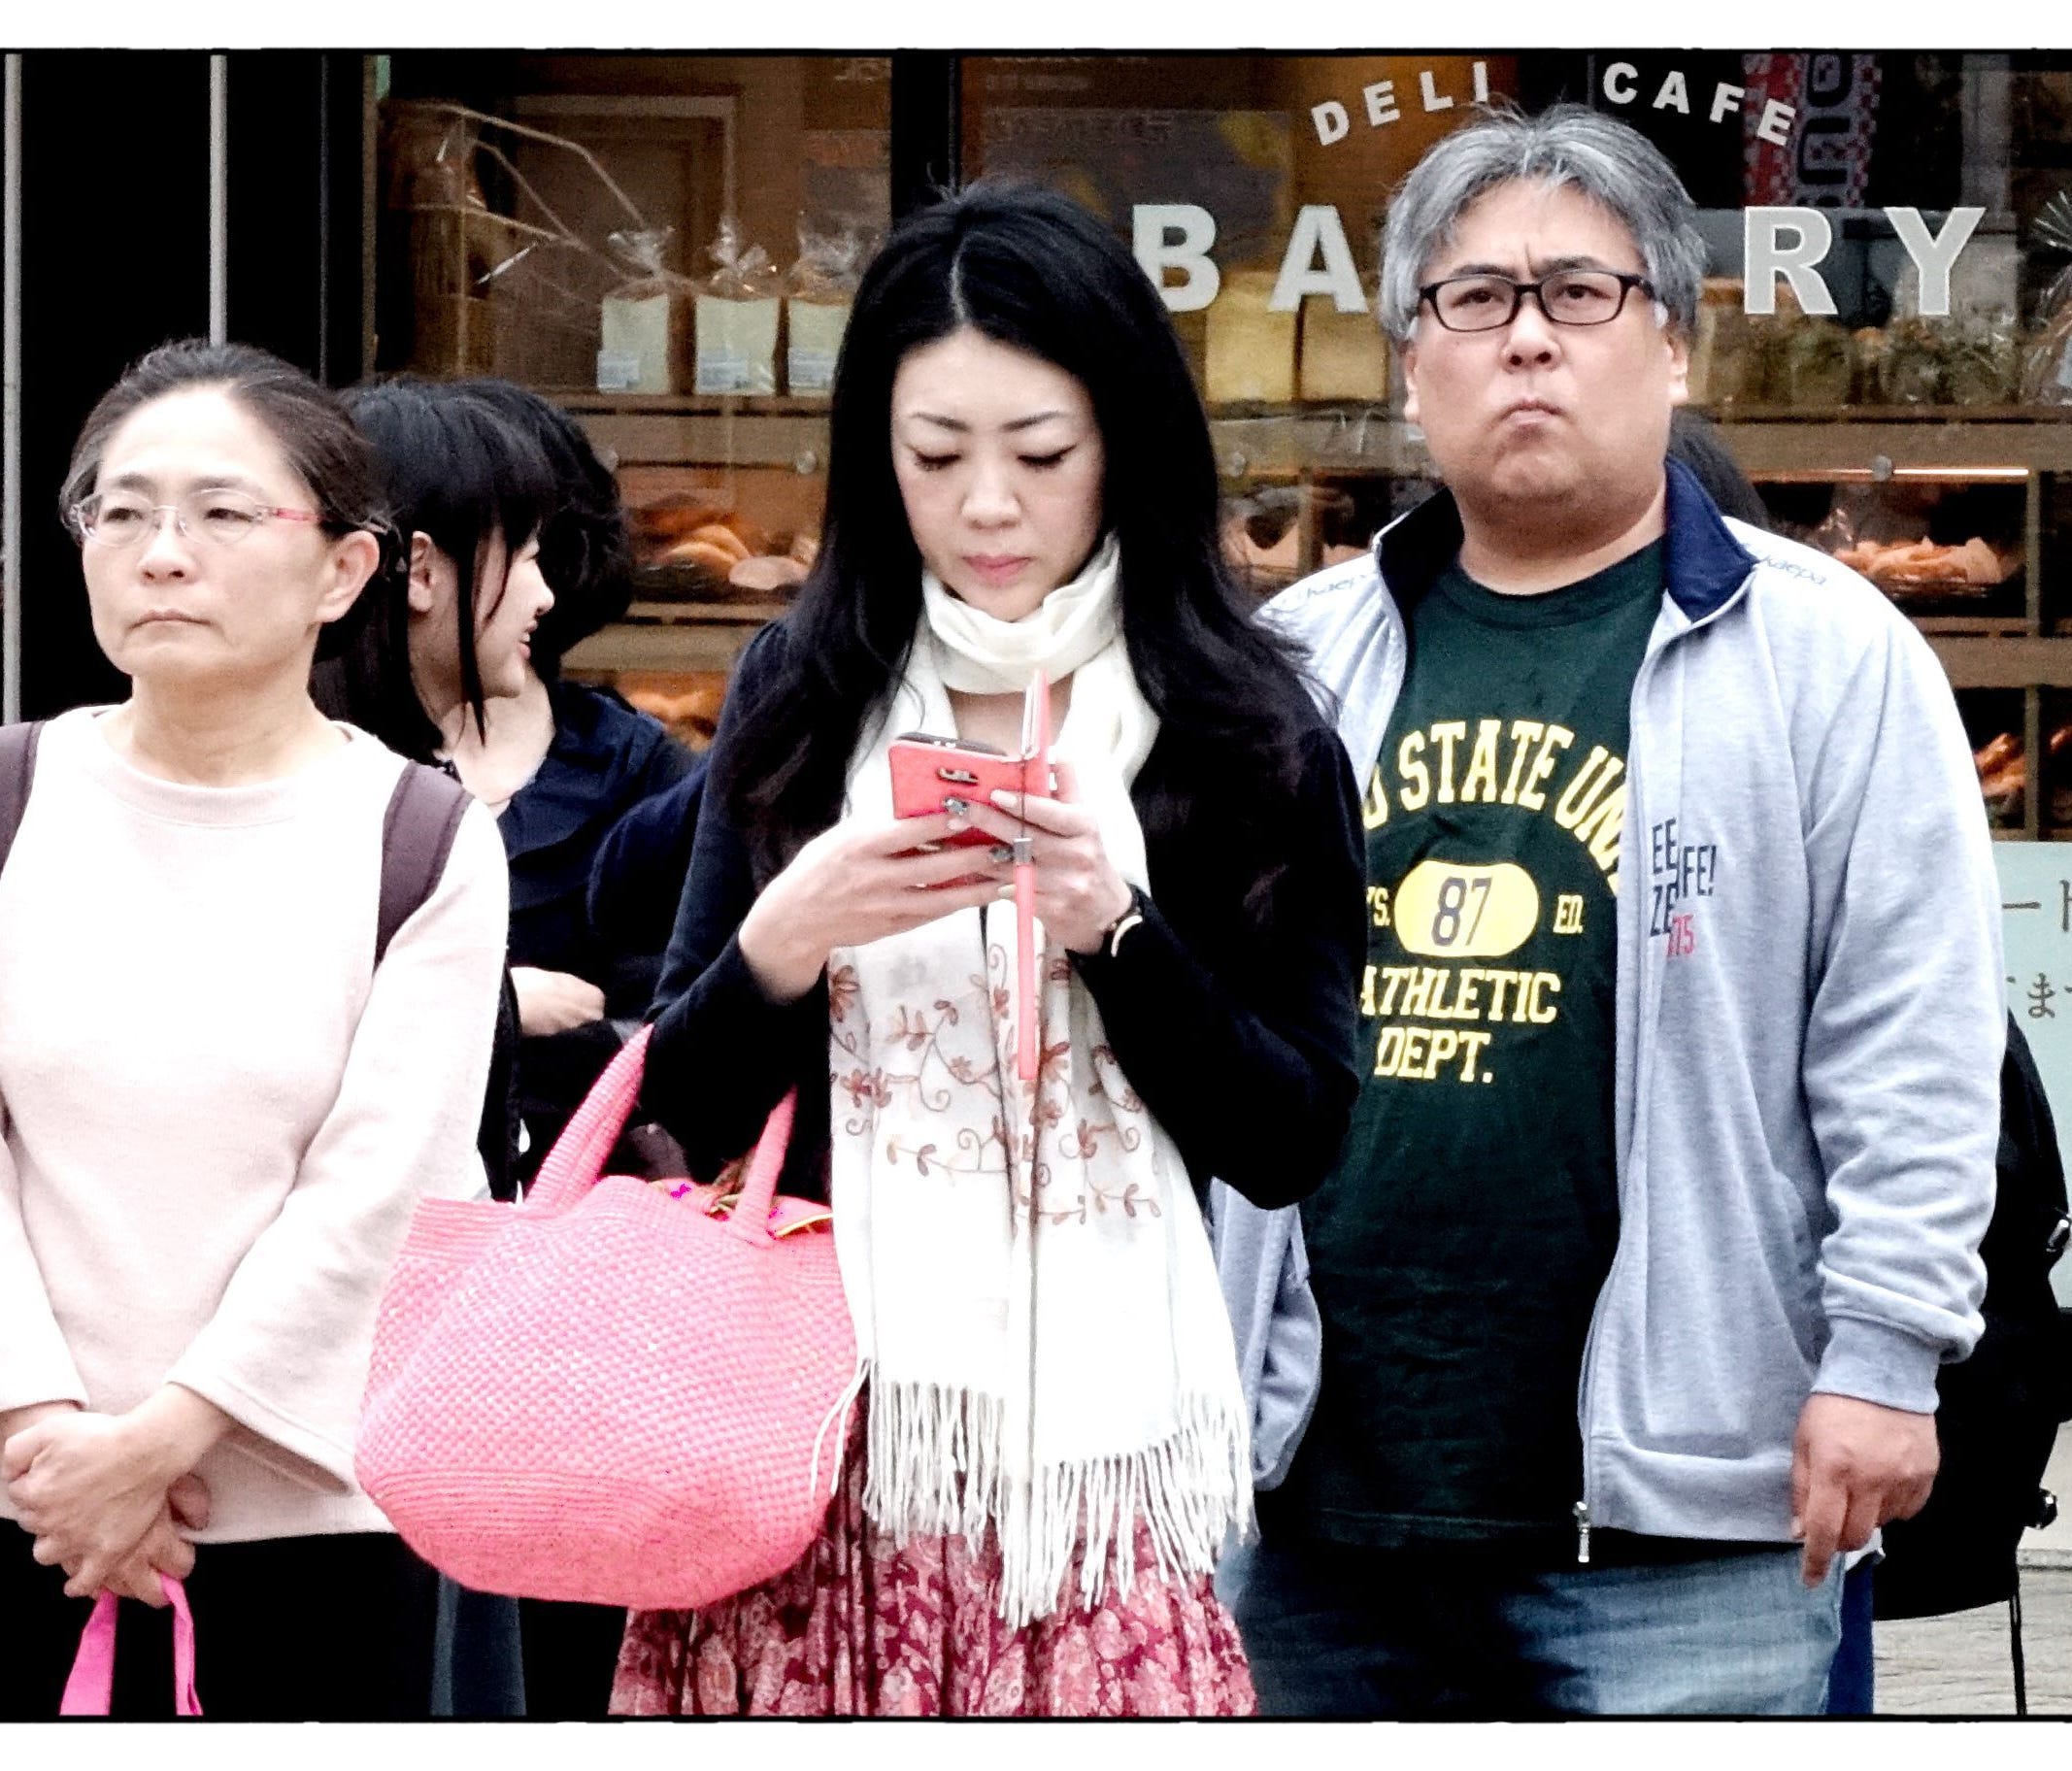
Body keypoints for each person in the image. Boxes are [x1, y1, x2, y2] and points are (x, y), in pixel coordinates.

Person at [1214, 103, 2002, 1717]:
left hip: (1679, 1531)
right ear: (1406, 361)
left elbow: (1907, 1038)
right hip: (1299, 1505)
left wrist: (1882, 1353)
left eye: (1578, 294)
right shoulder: (1289, 662)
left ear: (1672, 349)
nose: (1523, 340)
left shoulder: (1824, 655)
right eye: (1472, 298)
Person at [610, 181, 1364, 1717]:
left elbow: (1293, 1136)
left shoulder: (1239, 730)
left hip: (1091, 1516)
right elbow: (666, 1104)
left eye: (1040, 455)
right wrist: (784, 939)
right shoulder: (804, 690)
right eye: (934, 457)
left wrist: (1121, 937)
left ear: (1126, 448)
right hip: (796, 1470)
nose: (988, 508)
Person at [0, 340, 509, 1720]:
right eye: (122, 511)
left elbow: (379, 1196)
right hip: (26, 1509)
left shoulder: (422, 840)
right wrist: (45, 1434)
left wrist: (165, 1436)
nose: (163, 554)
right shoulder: (12, 796)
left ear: (343, 570)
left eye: (224, 515)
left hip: (315, 1512)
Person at [450, 379, 699, 1721]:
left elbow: (684, 1015)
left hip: (586, 1283)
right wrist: (491, 1001)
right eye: (517, 549)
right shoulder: (336, 768)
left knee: (567, 1643)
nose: (544, 584)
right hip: (390, 1267)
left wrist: (584, 1014)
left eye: (557, 546)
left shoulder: (628, 765)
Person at [321, 378, 560, 1207]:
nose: (544, 594)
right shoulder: (384, 820)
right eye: (524, 555)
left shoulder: (387, 797)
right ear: (421, 568)